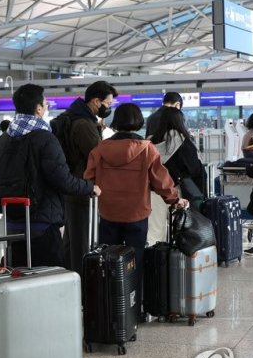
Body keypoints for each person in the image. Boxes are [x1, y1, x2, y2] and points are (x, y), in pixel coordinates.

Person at [84, 104, 187, 319]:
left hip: (108, 212)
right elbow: (161, 181)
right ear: (139, 122)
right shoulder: (146, 149)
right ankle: (133, 309)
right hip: (136, 214)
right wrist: (174, 200)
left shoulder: (100, 149)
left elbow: (88, 178)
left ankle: (110, 306)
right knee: (134, 262)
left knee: (108, 261)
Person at [0, 84, 100, 267]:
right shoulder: (44, 138)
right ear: (38, 108)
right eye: (45, 103)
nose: (47, 106)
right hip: (41, 222)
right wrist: (89, 187)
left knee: (18, 277)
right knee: (48, 281)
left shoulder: (5, 138)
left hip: (13, 220)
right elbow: (62, 179)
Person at [53, 80, 119, 275]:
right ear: (96, 101)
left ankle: (70, 279)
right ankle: (81, 283)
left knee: (72, 241)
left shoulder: (76, 117)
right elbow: (97, 155)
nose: (109, 107)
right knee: (81, 242)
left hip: (73, 186)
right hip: (83, 189)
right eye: (108, 103)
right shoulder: (83, 124)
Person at [147, 107, 206, 244]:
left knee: (155, 231)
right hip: (177, 191)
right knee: (181, 228)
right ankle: (177, 262)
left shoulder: (150, 142)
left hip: (154, 191)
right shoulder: (183, 140)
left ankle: (155, 261)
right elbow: (193, 167)